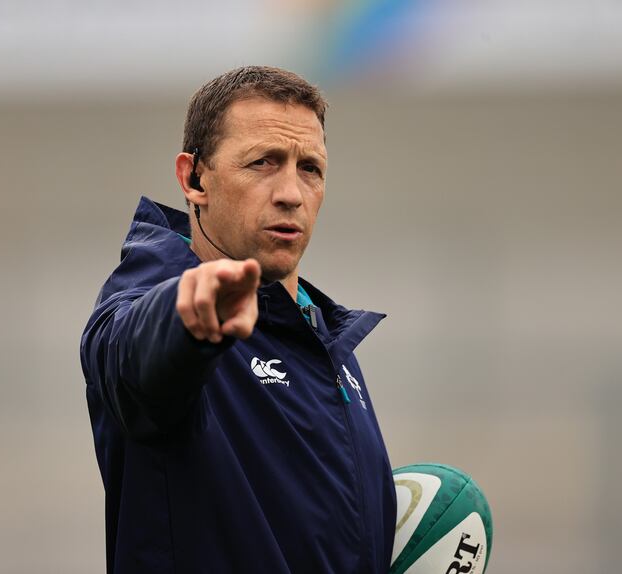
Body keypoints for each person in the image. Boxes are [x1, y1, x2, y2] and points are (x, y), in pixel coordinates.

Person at [80, 66, 396, 574]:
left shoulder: (325, 339)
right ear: (194, 178)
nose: (291, 192)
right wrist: (186, 321)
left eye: (309, 168)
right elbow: (134, 358)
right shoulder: (154, 309)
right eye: (263, 162)